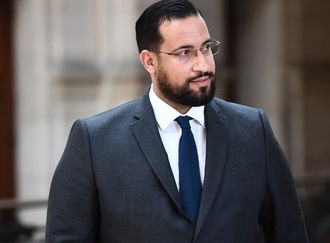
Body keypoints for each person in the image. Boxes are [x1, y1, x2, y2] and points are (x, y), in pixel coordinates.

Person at [45, 0, 308, 242]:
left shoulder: (253, 129)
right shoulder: (94, 141)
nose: (203, 65)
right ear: (150, 61)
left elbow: (289, 232)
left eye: (206, 48)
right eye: (185, 53)